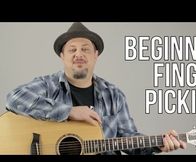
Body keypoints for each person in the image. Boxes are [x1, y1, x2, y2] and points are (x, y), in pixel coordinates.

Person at [6, 22, 186, 155]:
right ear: (62, 56)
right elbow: (14, 98)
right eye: (72, 50)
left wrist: (158, 144)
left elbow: (129, 139)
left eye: (85, 49)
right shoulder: (48, 85)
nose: (79, 54)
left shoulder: (114, 95)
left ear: (95, 55)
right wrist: (69, 112)